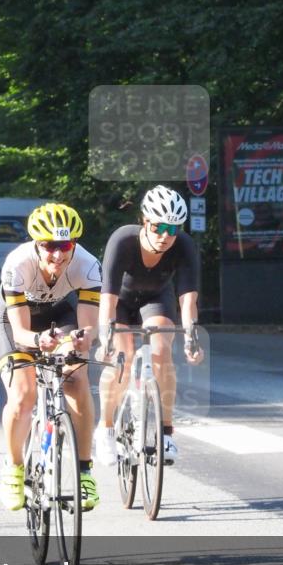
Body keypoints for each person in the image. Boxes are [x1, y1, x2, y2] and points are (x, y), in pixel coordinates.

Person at [0, 203, 102, 511]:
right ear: (36, 244)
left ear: (74, 244)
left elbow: (88, 327)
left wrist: (82, 338)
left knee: (76, 378)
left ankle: (84, 472)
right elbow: (20, 333)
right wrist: (38, 340)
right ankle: (14, 468)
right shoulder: (17, 264)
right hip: (16, 322)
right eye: (49, 246)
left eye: (64, 246)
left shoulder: (88, 265)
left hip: (59, 313)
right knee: (23, 395)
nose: (57, 254)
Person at [95, 185, 204, 467]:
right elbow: (107, 299)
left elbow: (188, 300)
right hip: (120, 301)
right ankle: (105, 428)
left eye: (173, 229)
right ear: (145, 221)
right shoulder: (123, 240)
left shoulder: (184, 245)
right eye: (159, 227)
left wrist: (191, 338)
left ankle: (166, 433)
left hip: (156, 298)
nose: (165, 236)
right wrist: (105, 338)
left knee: (162, 352)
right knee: (123, 356)